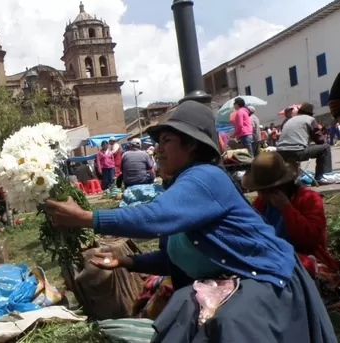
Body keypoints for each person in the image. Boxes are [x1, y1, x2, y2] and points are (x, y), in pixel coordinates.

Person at [45, 100, 335, 342]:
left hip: (265, 278)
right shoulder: (179, 186)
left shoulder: (205, 178)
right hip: (226, 282)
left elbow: (154, 216)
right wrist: (126, 263)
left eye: (167, 140)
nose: (157, 148)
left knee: (231, 323)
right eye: (157, 142)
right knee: (181, 308)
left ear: (192, 146)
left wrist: (86, 218)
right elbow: (178, 257)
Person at [242, 151, 338, 277]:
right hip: (272, 259)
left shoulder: (308, 199)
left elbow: (313, 238)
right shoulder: (260, 204)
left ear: (280, 188)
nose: (261, 196)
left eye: (265, 191)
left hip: (305, 260)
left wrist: (286, 209)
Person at [277, 102, 332, 184]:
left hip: (281, 153)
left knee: (295, 153)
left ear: (299, 111)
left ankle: (290, 179)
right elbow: (320, 140)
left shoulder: (289, 120)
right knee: (326, 147)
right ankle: (321, 177)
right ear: (310, 114)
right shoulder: (310, 119)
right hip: (297, 152)